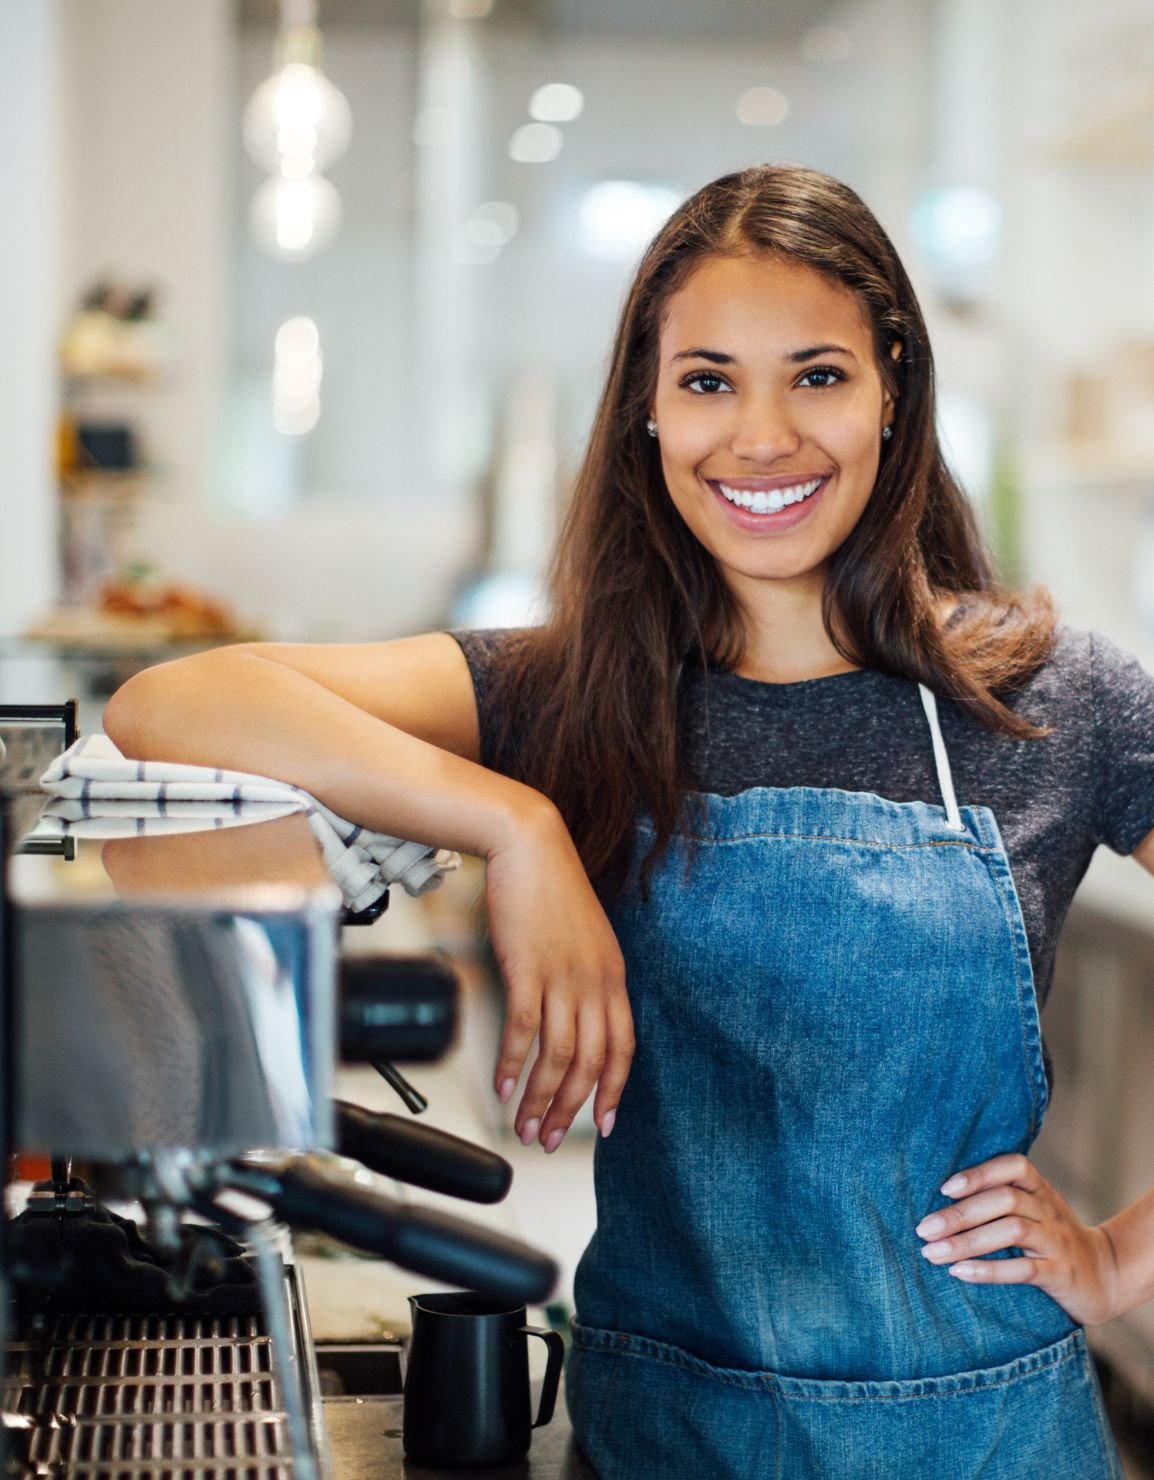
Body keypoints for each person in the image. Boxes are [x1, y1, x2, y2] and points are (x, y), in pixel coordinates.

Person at [102, 164, 1154, 1477]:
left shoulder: (1050, 695)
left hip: (983, 1435)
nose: (759, 437)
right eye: (706, 380)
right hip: (667, 1430)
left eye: (816, 375)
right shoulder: (572, 693)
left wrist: (1118, 1260)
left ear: (894, 391)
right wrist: (516, 826)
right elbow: (172, 699)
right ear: (646, 413)